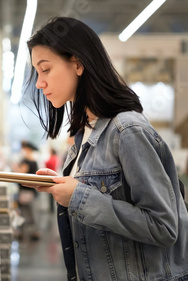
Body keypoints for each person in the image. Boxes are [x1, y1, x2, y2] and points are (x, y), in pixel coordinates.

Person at [23, 17, 188, 280]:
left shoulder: (127, 131)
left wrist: (79, 197)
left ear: (77, 64)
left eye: (46, 69)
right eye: (37, 72)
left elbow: (164, 227)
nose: (39, 83)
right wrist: (62, 185)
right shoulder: (83, 133)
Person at [12, 140, 40, 241]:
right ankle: (35, 232)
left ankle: (23, 233)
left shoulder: (26, 161)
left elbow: (20, 173)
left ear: (27, 149)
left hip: (25, 191)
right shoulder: (34, 161)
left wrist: (14, 166)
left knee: (24, 212)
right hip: (31, 191)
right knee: (32, 212)